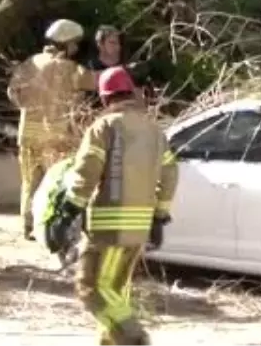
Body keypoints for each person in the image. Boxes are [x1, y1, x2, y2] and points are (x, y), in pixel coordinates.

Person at [46, 66, 178, 346]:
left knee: (92, 288)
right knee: (116, 291)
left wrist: (66, 213)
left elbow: (86, 172)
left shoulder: (104, 127)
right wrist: (160, 216)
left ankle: (134, 338)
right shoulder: (155, 130)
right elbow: (170, 173)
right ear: (130, 92)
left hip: (108, 225)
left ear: (106, 99)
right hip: (139, 228)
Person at [7, 18, 98, 240]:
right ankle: (47, 227)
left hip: (28, 134)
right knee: (54, 183)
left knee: (30, 182)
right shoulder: (71, 69)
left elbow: (12, 92)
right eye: (74, 43)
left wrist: (28, 108)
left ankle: (27, 225)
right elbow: (97, 83)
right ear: (66, 43)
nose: (76, 48)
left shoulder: (30, 63)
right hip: (57, 137)